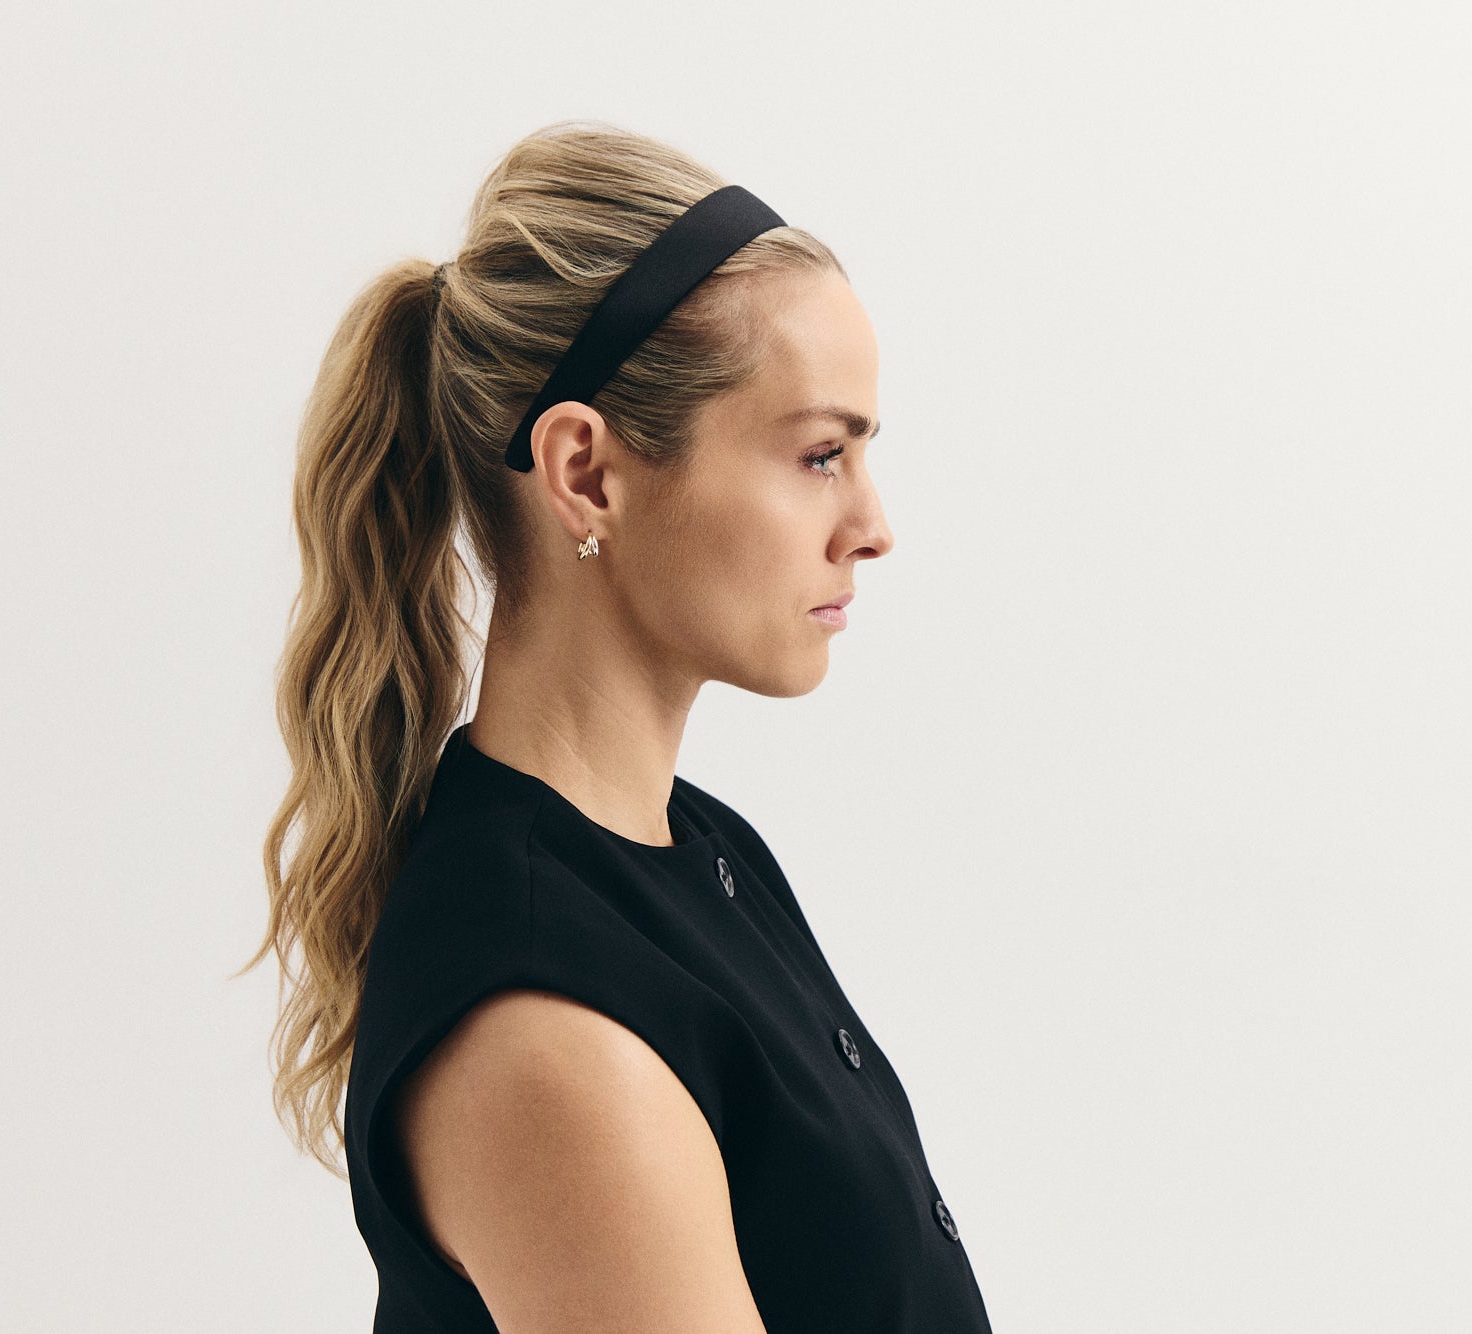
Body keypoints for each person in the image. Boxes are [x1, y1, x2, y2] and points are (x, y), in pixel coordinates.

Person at [243, 119, 993, 1333]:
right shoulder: (544, 1021)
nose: (871, 526)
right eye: (818, 454)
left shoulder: (697, 850)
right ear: (586, 472)